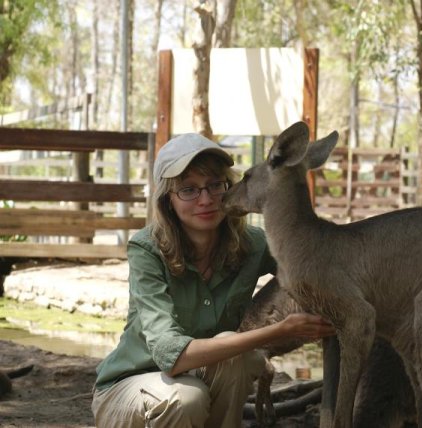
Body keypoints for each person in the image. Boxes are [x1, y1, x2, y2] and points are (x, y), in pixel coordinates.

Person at [91, 133, 335, 428]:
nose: (206, 200)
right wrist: (279, 331)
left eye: (215, 186)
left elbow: (315, 264)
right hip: (130, 388)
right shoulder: (147, 249)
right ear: (168, 199)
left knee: (231, 356)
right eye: (189, 190)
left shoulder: (254, 244)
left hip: (197, 381)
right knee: (187, 398)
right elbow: (171, 355)